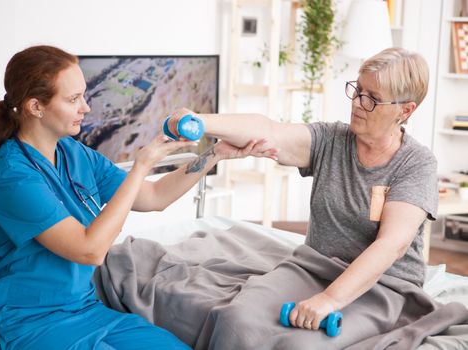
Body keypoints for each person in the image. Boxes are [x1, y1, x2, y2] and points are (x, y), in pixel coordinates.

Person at [0, 45, 278, 350]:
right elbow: (89, 250)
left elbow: (154, 196)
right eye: (73, 99)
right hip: (24, 322)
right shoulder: (13, 176)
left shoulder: (73, 153)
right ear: (35, 106)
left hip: (82, 310)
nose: (86, 107)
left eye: (84, 95)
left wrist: (214, 155)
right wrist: (141, 166)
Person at [166, 47, 437, 332]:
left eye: (373, 99)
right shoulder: (330, 139)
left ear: (405, 110)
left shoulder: (416, 164)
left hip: (385, 287)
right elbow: (269, 130)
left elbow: (391, 245)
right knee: (237, 319)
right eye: (358, 90)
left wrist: (329, 300)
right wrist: (200, 121)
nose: (358, 103)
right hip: (315, 268)